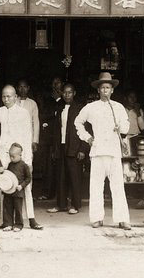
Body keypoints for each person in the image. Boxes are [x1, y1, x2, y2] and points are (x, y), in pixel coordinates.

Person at [74, 72, 131, 230]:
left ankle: (122, 218)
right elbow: (78, 122)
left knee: (118, 186)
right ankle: (97, 218)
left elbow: (126, 125)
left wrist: (121, 128)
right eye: (103, 88)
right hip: (98, 151)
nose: (105, 90)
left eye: (108, 87)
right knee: (96, 186)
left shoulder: (118, 107)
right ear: (98, 90)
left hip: (113, 152)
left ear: (112, 90)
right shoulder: (91, 107)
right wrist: (87, 137)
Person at [0, 85, 43, 230]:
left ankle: (31, 219)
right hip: (5, 155)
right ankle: (7, 221)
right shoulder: (1, 111)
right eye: (4, 96)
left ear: (15, 97)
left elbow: (28, 135)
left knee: (26, 188)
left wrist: (28, 160)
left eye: (9, 96)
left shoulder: (23, 113)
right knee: (5, 186)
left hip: (20, 156)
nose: (6, 99)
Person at [47, 83, 87, 215]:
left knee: (75, 177)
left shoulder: (81, 108)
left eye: (70, 92)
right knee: (61, 176)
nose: (67, 95)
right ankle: (61, 204)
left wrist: (82, 149)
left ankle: (75, 205)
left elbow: (86, 129)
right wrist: (54, 149)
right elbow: (55, 130)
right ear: (61, 93)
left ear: (74, 93)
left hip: (75, 147)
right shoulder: (59, 108)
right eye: (64, 92)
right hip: (61, 146)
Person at [38, 76, 64, 200]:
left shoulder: (65, 99)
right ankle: (48, 193)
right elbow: (44, 115)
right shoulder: (48, 99)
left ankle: (62, 194)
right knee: (48, 167)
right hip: (49, 139)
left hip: (62, 139)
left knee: (61, 167)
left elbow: (60, 114)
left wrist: (59, 100)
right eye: (54, 83)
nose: (56, 86)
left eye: (58, 83)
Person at [0, 143, 31, 232]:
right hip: (9, 191)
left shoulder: (24, 165)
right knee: (7, 208)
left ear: (20, 155)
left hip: (18, 192)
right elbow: (8, 177)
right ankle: (8, 224)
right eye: (10, 156)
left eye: (13, 156)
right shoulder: (10, 165)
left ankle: (18, 224)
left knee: (18, 209)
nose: (11, 158)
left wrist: (22, 186)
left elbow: (28, 178)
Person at [16, 79, 40, 155]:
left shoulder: (32, 103)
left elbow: (36, 123)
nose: (22, 89)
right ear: (17, 88)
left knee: (27, 161)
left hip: (28, 139)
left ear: (28, 88)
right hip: (15, 137)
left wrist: (35, 141)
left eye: (25, 87)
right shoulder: (13, 102)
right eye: (20, 87)